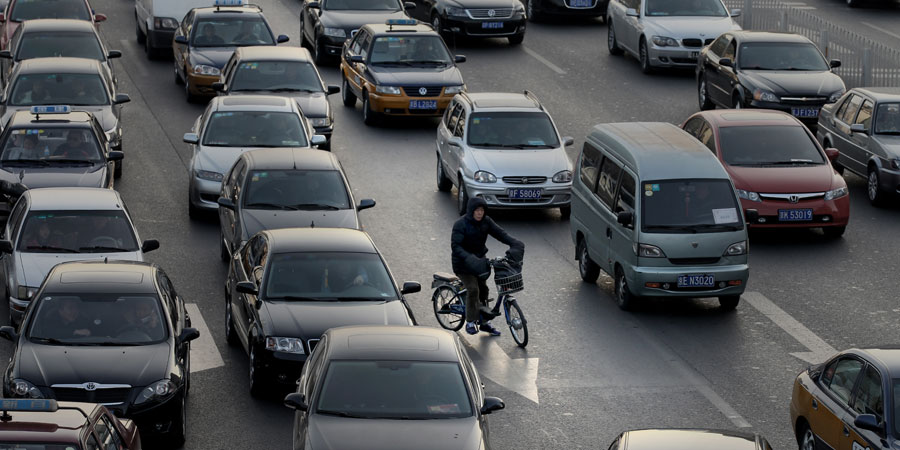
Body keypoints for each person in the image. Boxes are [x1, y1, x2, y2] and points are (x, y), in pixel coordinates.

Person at [451, 197, 523, 336]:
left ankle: (484, 322)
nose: (480, 213)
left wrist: (514, 243)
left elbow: (501, 234)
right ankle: (470, 321)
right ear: (471, 210)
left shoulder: (486, 221)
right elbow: (456, 246)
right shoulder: (460, 224)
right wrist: (469, 258)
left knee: (484, 289)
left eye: (482, 210)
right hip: (462, 265)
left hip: (479, 262)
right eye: (477, 210)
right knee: (473, 289)